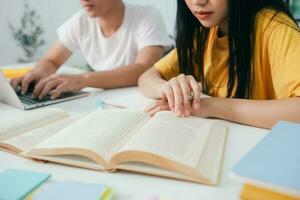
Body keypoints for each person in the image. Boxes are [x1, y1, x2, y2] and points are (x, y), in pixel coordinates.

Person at [138, 0, 300, 129]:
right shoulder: (205, 33)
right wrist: (168, 89)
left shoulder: (275, 27)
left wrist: (209, 106)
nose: (198, 1)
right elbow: (147, 77)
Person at [11, 0, 171, 100]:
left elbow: (142, 69)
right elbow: (51, 61)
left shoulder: (147, 16)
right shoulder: (80, 22)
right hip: (106, 99)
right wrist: (38, 72)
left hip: (144, 99)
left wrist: (83, 79)